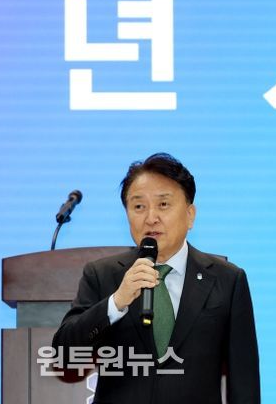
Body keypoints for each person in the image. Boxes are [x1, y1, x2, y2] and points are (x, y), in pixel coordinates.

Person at [52, 153, 260, 404]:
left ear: (190, 215)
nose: (151, 218)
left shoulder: (227, 280)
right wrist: (116, 303)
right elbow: (64, 355)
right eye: (139, 206)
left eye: (163, 204)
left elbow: (244, 382)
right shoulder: (102, 275)